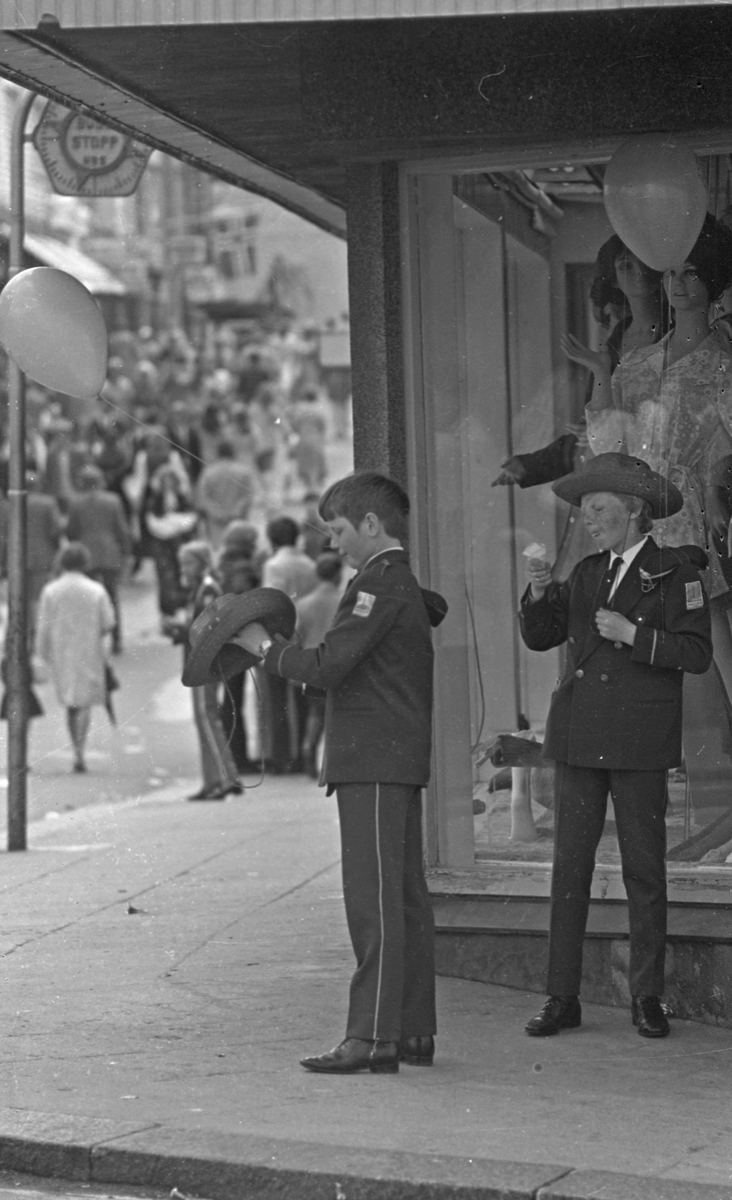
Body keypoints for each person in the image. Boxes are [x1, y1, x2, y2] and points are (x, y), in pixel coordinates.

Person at [231, 471, 447, 1074]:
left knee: (373, 902)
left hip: (373, 761)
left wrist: (262, 648)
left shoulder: (378, 585)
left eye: (340, 531)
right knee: (402, 899)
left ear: (372, 525)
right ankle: (411, 1031)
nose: (333, 545)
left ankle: (372, 1036)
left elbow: (328, 666)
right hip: (391, 758)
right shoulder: (391, 582)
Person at [519, 453, 712, 1039]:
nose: (588, 520)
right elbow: (541, 635)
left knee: (644, 873)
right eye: (585, 511)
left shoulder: (679, 574)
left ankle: (646, 998)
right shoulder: (585, 573)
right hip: (581, 736)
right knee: (568, 871)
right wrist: (535, 589)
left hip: (638, 740)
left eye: (599, 509)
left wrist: (635, 635)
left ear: (634, 511)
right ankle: (562, 996)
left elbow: (696, 655)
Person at [493, 235, 667, 494]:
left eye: (643, 262)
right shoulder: (616, 340)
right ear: (615, 279)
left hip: (665, 464)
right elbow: (592, 424)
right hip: (622, 472)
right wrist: (531, 464)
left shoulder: (675, 330)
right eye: (625, 266)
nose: (639, 272)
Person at [35, 542, 116, 774]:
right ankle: (80, 749)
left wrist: (41, 654)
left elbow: (43, 626)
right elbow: (108, 623)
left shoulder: (51, 590)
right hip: (89, 649)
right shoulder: (96, 590)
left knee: (71, 701)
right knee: (85, 701)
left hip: (62, 650)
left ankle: (76, 748)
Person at [171, 540, 241, 801]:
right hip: (197, 662)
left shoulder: (209, 589)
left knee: (208, 716)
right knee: (203, 719)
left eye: (188, 562)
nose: (184, 568)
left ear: (201, 562)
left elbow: (210, 627)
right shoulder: (199, 589)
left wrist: (181, 630)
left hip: (205, 663)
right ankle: (211, 780)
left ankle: (224, 777)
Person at [260, 516, 318, 773]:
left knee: (277, 699)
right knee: (301, 698)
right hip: (304, 635)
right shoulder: (309, 564)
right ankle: (301, 752)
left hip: (280, 636)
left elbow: (272, 602)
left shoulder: (274, 565)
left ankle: (281, 755)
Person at [66, 464, 132, 654]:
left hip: (86, 556)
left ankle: (93, 639)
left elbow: (71, 531)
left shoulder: (75, 503)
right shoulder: (112, 500)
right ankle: (116, 639)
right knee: (112, 597)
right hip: (110, 553)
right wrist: (126, 551)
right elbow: (122, 529)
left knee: (89, 598)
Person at [294, 551, 344, 777]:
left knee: (316, 714)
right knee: (336, 715)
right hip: (336, 664)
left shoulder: (303, 604)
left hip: (311, 665)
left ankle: (309, 752)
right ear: (338, 575)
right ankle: (331, 763)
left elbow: (298, 636)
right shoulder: (343, 602)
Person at [196, 441, 255, 548]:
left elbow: (203, 497)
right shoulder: (243, 472)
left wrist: (217, 513)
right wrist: (236, 511)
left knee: (220, 551)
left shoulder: (208, 472)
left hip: (216, 523)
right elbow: (247, 496)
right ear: (233, 452)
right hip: (238, 518)